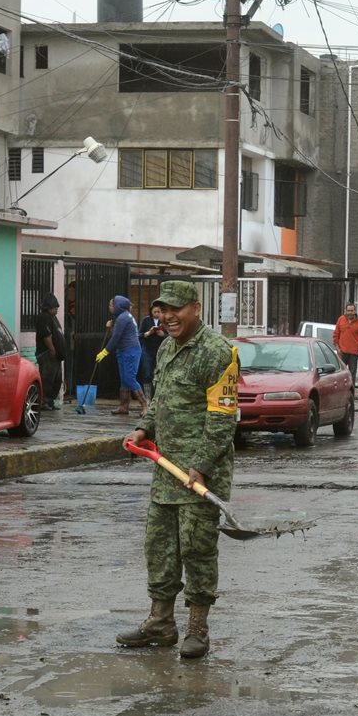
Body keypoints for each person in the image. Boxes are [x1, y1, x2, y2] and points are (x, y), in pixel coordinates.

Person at [119, 281, 239, 659]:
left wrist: (201, 465)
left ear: (195, 308)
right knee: (159, 547)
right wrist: (144, 428)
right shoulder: (168, 346)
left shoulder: (218, 352)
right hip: (167, 470)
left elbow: (222, 418)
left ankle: (198, 630)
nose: (167, 317)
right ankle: (160, 622)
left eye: (174, 309)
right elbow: (160, 399)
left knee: (197, 549)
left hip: (199, 474)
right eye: (161, 309)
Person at [96, 295, 147, 417]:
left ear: (117, 306)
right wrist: (111, 325)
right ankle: (124, 406)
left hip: (130, 351)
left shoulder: (123, 318)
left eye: (111, 305)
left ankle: (145, 406)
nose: (109, 307)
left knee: (129, 378)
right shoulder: (122, 317)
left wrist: (105, 351)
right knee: (124, 379)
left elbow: (116, 337)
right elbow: (117, 333)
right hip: (123, 350)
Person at [34, 294, 64, 411]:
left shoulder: (53, 318)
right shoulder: (44, 318)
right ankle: (44, 401)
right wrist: (52, 349)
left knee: (56, 379)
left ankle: (50, 401)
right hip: (47, 353)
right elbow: (47, 336)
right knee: (47, 378)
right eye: (54, 307)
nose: (56, 309)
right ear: (48, 307)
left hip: (55, 355)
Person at [332, 302, 358, 382]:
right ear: (345, 310)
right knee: (340, 374)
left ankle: (351, 392)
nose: (350, 313)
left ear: (355, 311)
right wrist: (337, 348)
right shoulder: (341, 319)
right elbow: (336, 335)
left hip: (354, 354)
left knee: (352, 375)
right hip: (342, 352)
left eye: (352, 311)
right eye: (348, 311)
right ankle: (341, 393)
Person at [138, 303, 167, 399]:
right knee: (147, 374)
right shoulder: (146, 320)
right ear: (151, 312)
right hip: (147, 350)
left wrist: (162, 335)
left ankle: (158, 397)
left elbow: (171, 336)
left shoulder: (165, 321)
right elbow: (140, 335)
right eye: (155, 312)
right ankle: (147, 397)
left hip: (161, 351)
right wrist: (149, 333)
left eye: (159, 312)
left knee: (160, 374)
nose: (157, 314)